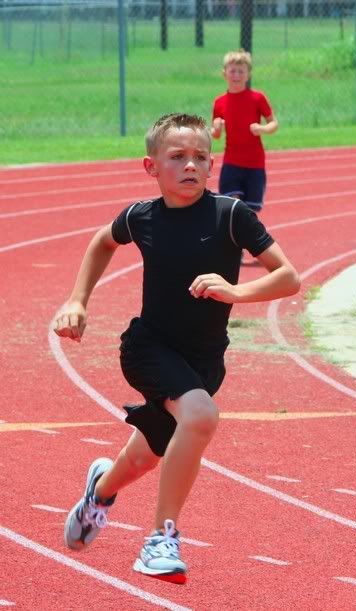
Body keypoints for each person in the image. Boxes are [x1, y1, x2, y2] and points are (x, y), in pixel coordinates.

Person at [53, 113, 300, 584]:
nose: (191, 165)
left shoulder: (232, 216)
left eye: (200, 157)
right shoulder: (141, 217)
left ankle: (99, 493)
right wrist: (77, 301)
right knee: (201, 416)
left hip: (205, 360)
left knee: (147, 456)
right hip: (149, 348)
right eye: (178, 157)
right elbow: (102, 241)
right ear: (151, 167)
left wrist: (235, 291)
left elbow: (288, 277)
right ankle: (159, 540)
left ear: (212, 164)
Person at [211, 49, 278, 215]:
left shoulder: (257, 98)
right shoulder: (220, 102)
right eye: (232, 71)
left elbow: (273, 123)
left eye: (241, 71)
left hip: (254, 164)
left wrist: (262, 128)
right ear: (224, 73)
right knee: (232, 206)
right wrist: (216, 128)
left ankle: (245, 240)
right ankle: (233, 239)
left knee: (250, 212)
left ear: (248, 75)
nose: (237, 75)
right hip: (231, 163)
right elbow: (216, 134)